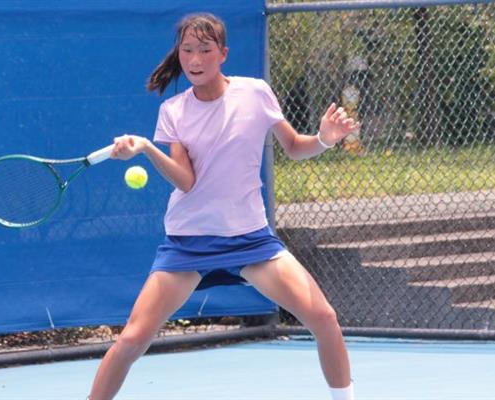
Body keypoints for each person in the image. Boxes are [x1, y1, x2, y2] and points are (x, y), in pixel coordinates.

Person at [88, 13, 359, 400]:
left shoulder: (255, 93)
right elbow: (186, 180)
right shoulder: (174, 111)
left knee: (324, 318)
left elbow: (294, 147)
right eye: (187, 50)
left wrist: (325, 139)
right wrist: (147, 147)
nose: (195, 59)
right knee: (132, 338)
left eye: (204, 49)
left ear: (223, 54)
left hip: (250, 240)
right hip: (189, 243)